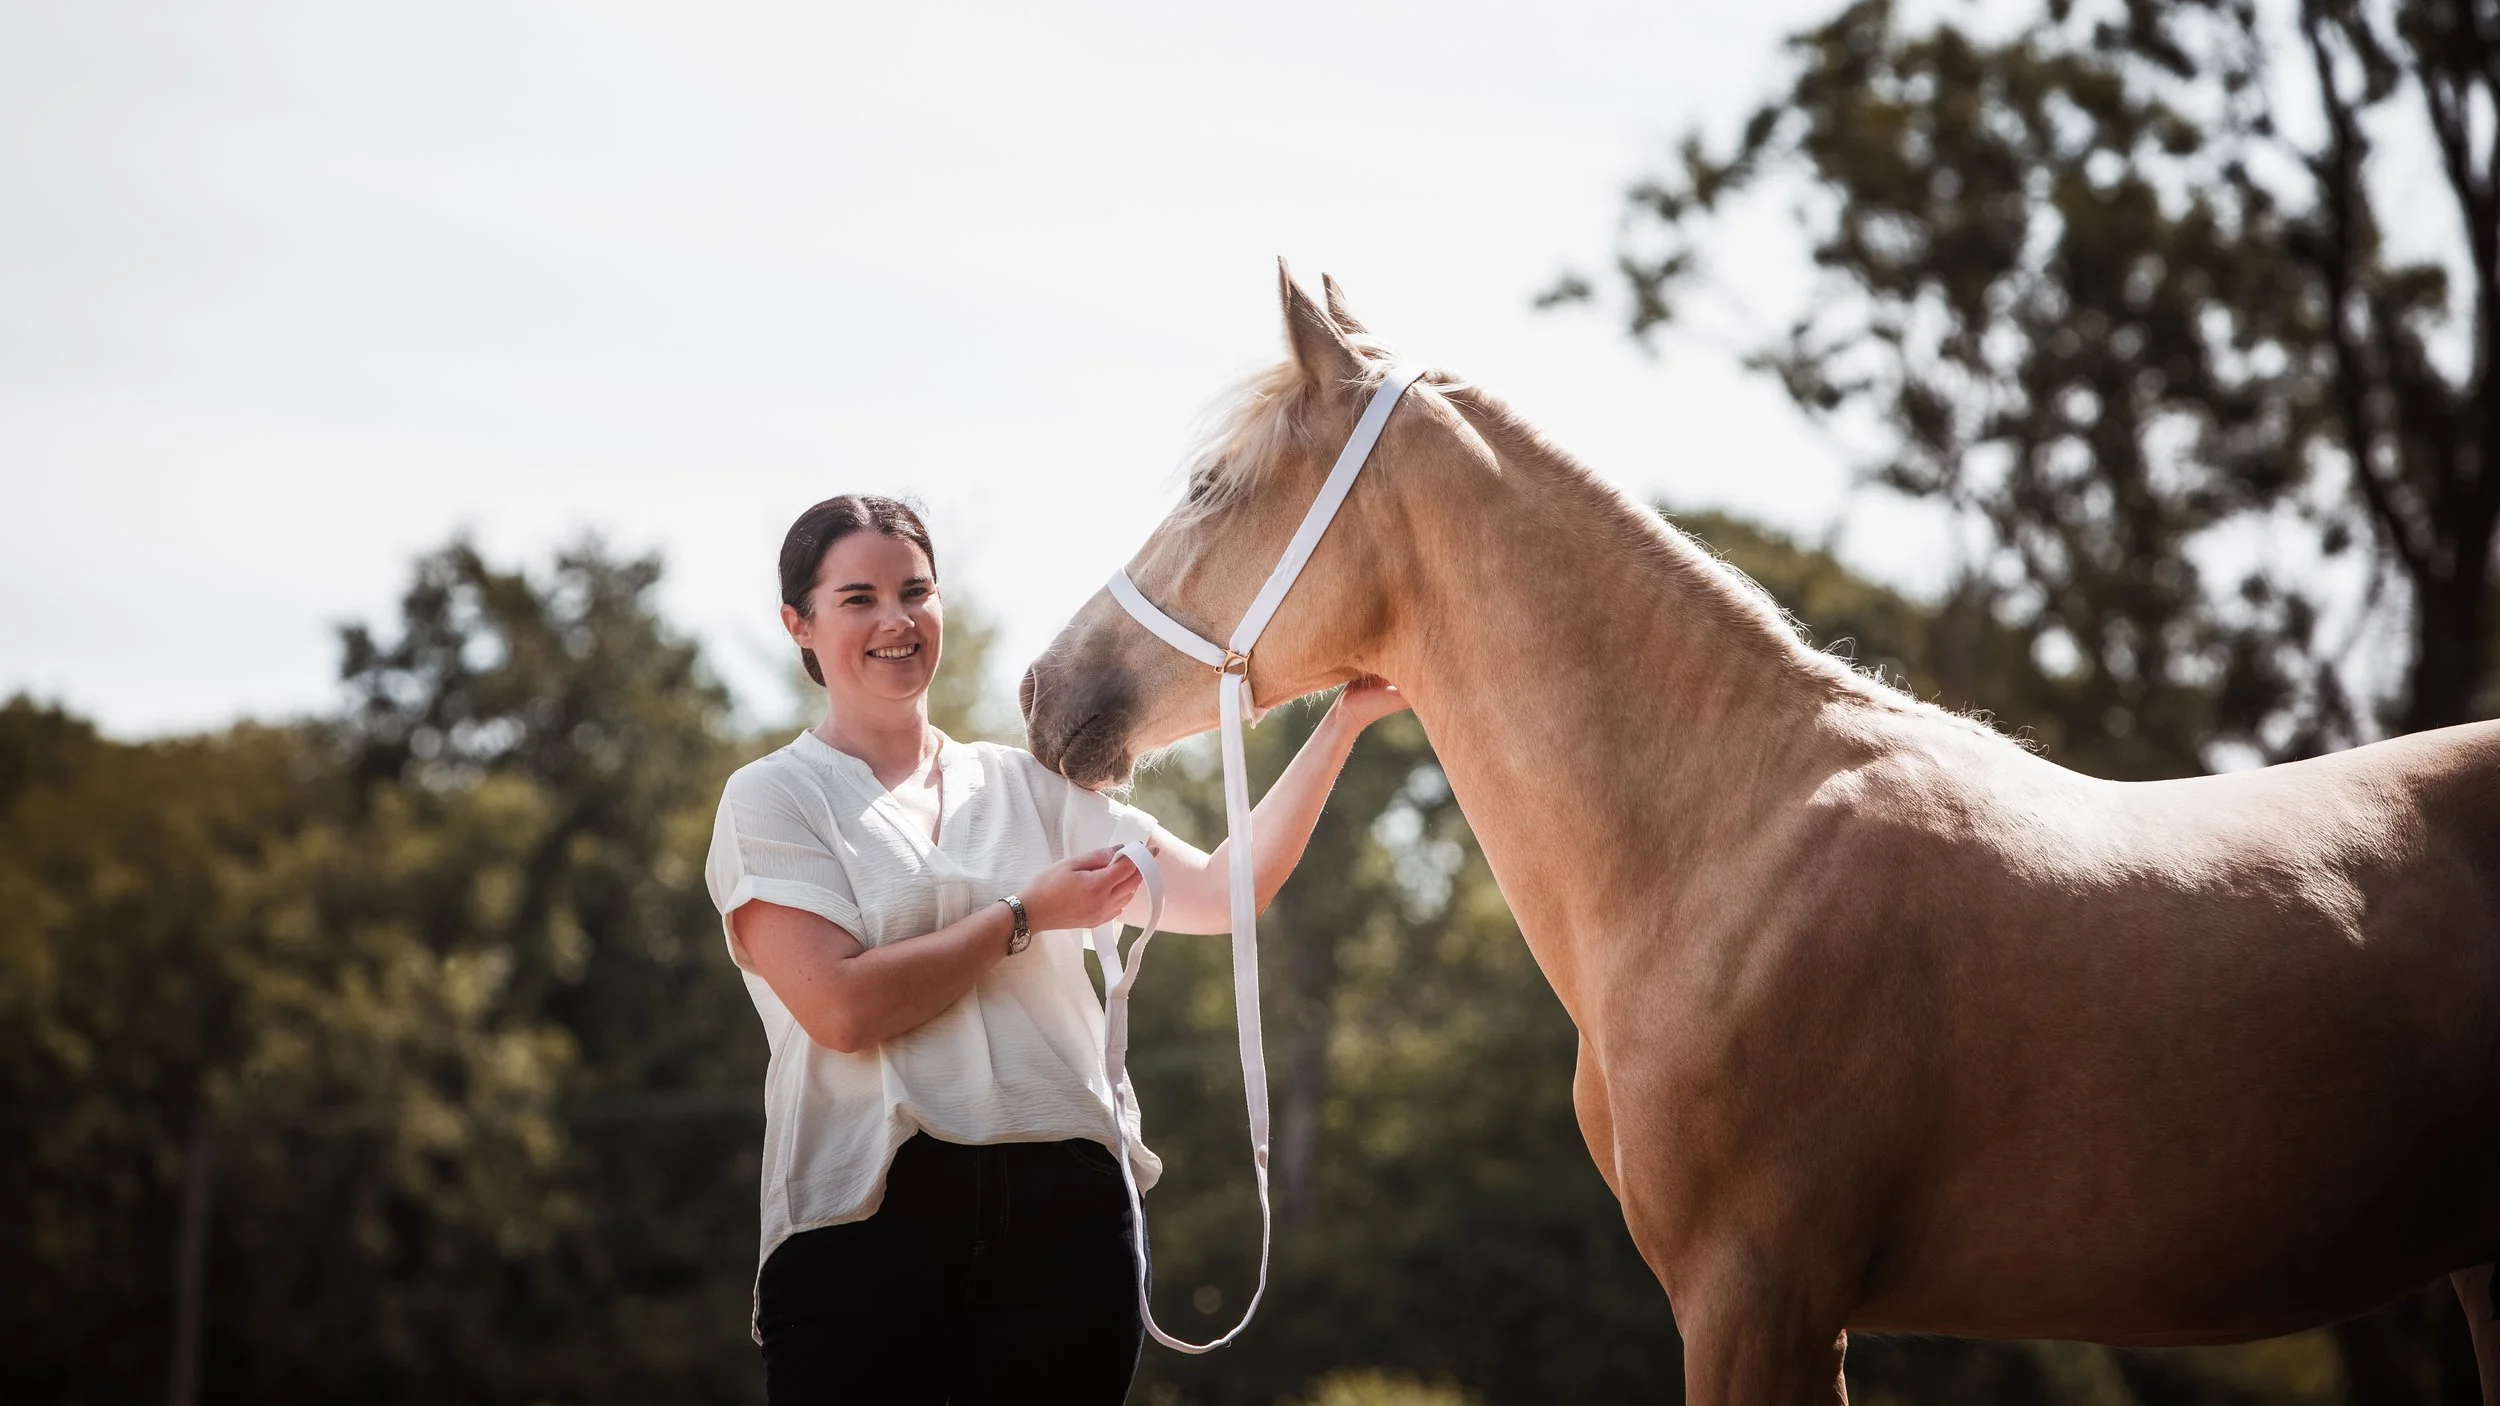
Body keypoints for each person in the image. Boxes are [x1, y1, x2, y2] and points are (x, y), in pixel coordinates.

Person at [705, 493, 1410, 1404]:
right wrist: (1021, 916)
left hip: (1066, 1212)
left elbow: (1229, 892)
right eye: (858, 598)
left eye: (916, 591)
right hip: (867, 1219)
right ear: (798, 623)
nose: (896, 620)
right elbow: (843, 1010)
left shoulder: (1034, 786)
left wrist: (1343, 721)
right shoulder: (774, 799)